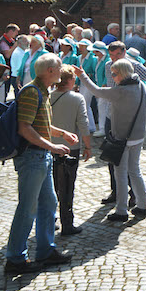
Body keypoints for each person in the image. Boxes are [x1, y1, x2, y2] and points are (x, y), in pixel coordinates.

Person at [5, 53, 76, 275]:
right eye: (59, 66)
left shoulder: (43, 92)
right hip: (32, 157)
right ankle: (15, 258)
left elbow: (41, 125)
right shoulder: (30, 92)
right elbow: (25, 128)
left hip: (41, 156)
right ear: (49, 71)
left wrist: (61, 133)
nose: (62, 69)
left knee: (48, 204)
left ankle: (46, 251)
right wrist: (53, 147)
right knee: (28, 209)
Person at [74, 59, 146, 222]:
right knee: (135, 171)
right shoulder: (142, 86)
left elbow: (96, 90)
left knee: (121, 174)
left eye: (114, 74)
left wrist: (82, 75)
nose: (113, 77)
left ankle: (122, 210)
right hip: (138, 137)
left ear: (122, 74)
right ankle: (143, 206)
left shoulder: (119, 91)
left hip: (121, 138)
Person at [49, 66, 92, 236]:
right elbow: (83, 124)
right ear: (70, 80)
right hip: (70, 148)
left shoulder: (49, 96)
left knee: (51, 186)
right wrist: (88, 146)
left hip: (50, 146)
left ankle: (50, 220)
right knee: (67, 187)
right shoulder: (77, 98)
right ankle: (67, 223)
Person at [75, 39, 97, 133]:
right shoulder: (78, 57)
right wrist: (76, 83)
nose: (80, 48)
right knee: (84, 105)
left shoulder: (92, 58)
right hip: (81, 84)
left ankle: (90, 127)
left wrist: (88, 75)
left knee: (85, 104)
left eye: (83, 46)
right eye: (80, 46)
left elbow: (94, 72)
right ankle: (88, 126)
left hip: (89, 84)